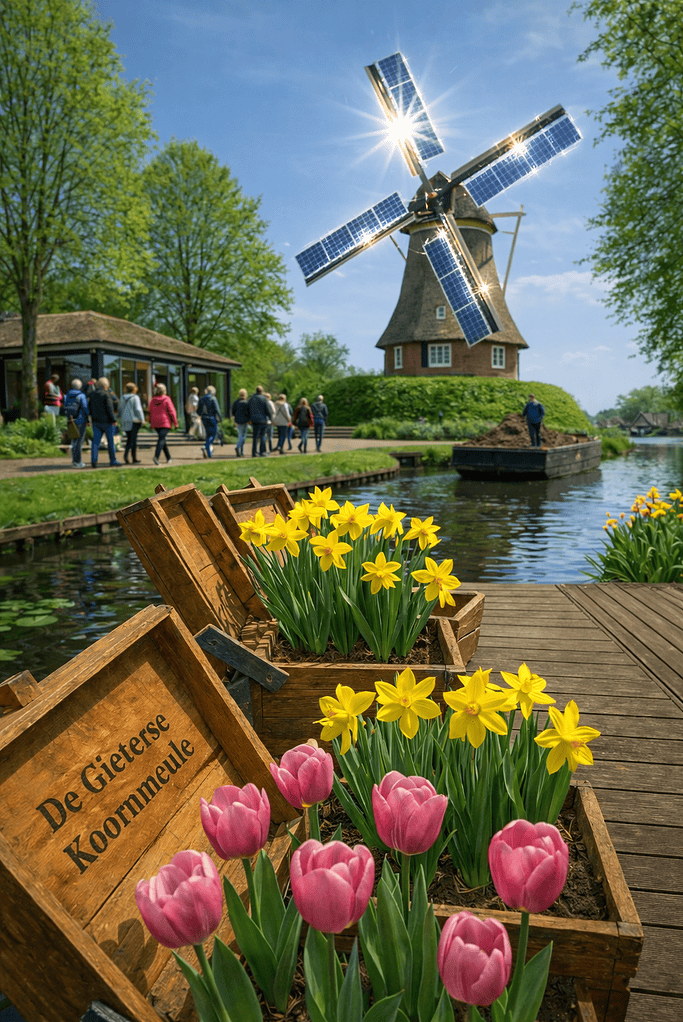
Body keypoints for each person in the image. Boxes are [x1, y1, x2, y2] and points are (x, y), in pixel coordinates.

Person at [88, 377, 121, 468]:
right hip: (107, 422)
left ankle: (94, 461)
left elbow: (89, 408)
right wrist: (114, 420)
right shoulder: (107, 395)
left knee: (95, 442)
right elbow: (109, 408)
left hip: (96, 421)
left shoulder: (92, 394)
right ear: (106, 386)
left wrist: (91, 417)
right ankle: (113, 460)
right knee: (110, 442)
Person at [148, 383, 178, 465]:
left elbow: (150, 411)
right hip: (165, 422)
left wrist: (150, 422)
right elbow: (172, 412)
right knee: (161, 439)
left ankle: (168, 457)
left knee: (162, 439)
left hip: (155, 422)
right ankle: (156, 457)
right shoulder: (167, 399)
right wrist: (175, 423)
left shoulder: (152, 400)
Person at [63, 378, 89, 468]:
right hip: (80, 420)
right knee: (79, 442)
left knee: (73, 441)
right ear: (80, 387)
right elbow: (85, 408)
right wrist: (87, 420)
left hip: (70, 421)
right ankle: (78, 462)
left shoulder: (67, 395)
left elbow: (65, 407)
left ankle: (74, 461)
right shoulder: (81, 395)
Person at [119, 382, 145, 464]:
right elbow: (138, 409)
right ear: (134, 389)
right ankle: (131, 457)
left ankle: (129, 457)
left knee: (129, 439)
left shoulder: (122, 397)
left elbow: (120, 409)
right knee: (133, 440)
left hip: (125, 420)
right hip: (134, 420)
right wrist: (142, 419)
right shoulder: (135, 397)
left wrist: (121, 418)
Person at [197, 384, 222, 459]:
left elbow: (198, 411)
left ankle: (209, 452)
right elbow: (217, 409)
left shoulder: (201, 399)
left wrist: (201, 415)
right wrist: (220, 418)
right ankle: (206, 447)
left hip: (204, 418)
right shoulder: (213, 399)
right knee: (213, 434)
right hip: (212, 418)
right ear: (212, 392)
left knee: (208, 434)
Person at [248, 385, 270, 458]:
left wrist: (249, 418)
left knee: (255, 437)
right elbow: (267, 410)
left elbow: (248, 409)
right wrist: (270, 418)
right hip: (263, 420)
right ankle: (262, 452)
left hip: (254, 420)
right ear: (262, 391)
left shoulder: (251, 399)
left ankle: (254, 453)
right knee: (262, 436)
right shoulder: (264, 399)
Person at [232, 387, 250, 456]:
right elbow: (249, 412)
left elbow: (233, 412)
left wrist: (234, 421)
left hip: (238, 421)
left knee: (240, 435)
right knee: (243, 436)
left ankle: (241, 451)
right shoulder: (247, 402)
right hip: (245, 421)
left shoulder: (236, 402)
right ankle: (238, 447)